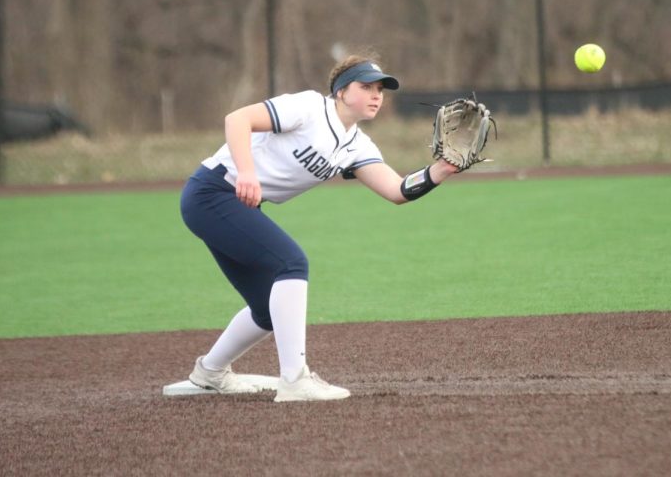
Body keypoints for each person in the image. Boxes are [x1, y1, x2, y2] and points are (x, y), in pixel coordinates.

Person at [179, 53, 462, 402]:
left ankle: (209, 372)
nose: (377, 95)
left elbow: (397, 190)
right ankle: (294, 379)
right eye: (367, 86)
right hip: (211, 193)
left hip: (233, 204)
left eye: (380, 90)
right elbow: (237, 119)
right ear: (342, 91)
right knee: (290, 263)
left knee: (267, 310)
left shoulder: (357, 145)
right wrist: (247, 171)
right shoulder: (310, 107)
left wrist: (442, 170)